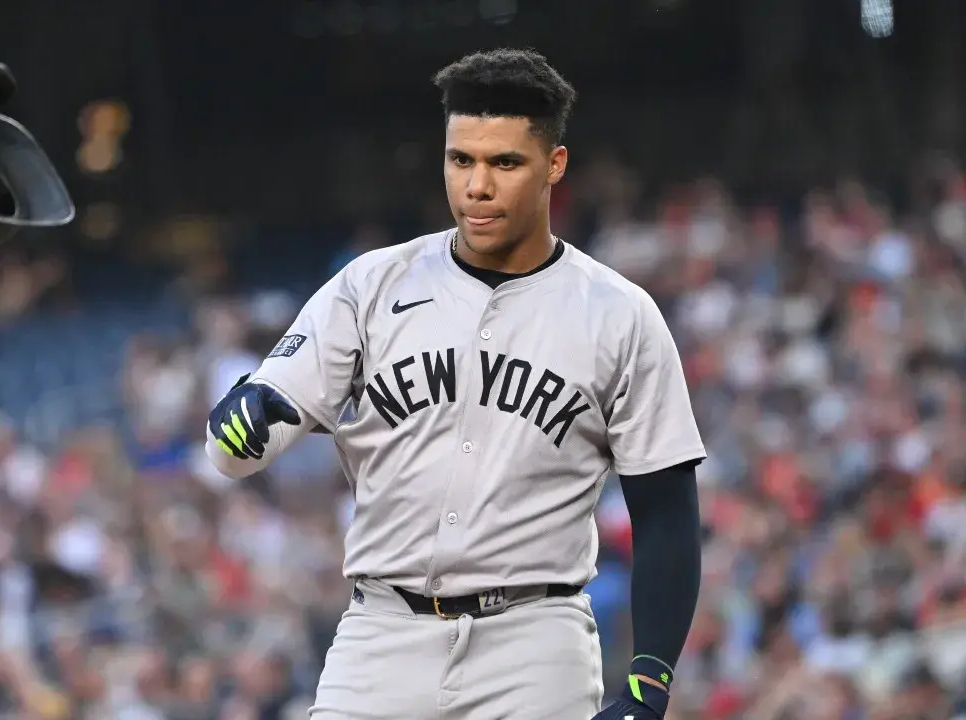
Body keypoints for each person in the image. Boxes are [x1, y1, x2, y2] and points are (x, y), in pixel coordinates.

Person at [205, 48, 704, 720]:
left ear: (554, 166)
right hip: (381, 637)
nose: (477, 186)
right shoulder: (370, 285)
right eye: (460, 159)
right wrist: (244, 418)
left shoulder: (619, 314)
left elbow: (667, 512)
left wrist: (650, 680)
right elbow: (245, 437)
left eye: (504, 162)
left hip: (534, 644)